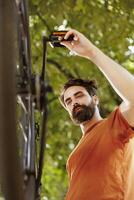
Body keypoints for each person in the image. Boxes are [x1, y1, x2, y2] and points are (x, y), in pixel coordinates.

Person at [59, 29, 134, 200]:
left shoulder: (113, 126)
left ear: (95, 99)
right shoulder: (73, 158)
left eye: (79, 95)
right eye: (68, 101)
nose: (74, 102)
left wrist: (91, 52)